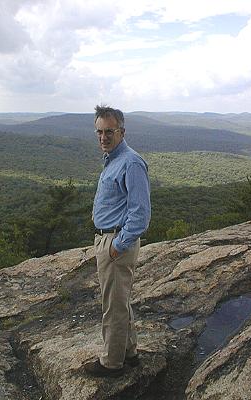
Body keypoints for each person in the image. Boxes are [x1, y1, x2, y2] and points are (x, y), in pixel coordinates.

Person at [84, 105, 151, 378]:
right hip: (109, 238)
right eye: (99, 131)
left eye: (109, 131)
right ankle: (129, 353)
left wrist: (117, 245)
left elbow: (140, 214)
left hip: (115, 242)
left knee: (112, 305)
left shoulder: (131, 163)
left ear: (122, 131)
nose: (103, 136)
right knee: (119, 301)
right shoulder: (112, 159)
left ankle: (112, 363)